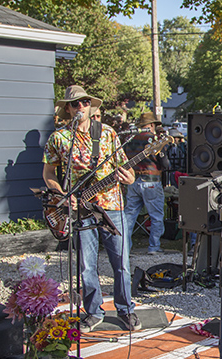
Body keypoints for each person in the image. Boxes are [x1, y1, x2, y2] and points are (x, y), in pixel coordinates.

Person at [43, 85, 139, 332]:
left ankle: (126, 309)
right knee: (86, 265)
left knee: (121, 262)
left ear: (90, 105)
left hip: (113, 206)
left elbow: (126, 168)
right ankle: (94, 311)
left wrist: (130, 178)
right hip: (81, 209)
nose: (81, 107)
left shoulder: (107, 133)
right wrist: (62, 196)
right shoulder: (59, 138)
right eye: (75, 104)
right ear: (68, 108)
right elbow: (49, 173)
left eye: (85, 102)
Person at [124, 112, 170, 255]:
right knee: (156, 216)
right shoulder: (154, 140)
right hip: (151, 180)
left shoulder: (129, 139)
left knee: (129, 216)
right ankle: (154, 247)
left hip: (132, 180)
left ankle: (125, 248)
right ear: (151, 125)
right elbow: (165, 164)